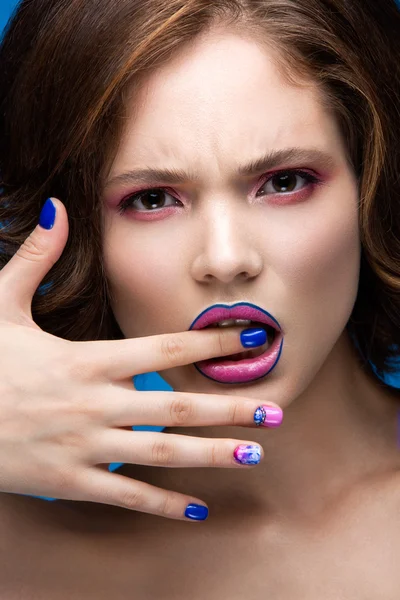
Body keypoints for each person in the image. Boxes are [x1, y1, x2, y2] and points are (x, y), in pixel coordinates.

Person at [0, 0, 400, 596]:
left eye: (284, 182)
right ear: (81, 234)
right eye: (153, 198)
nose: (225, 259)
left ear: (372, 183)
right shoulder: (23, 556)